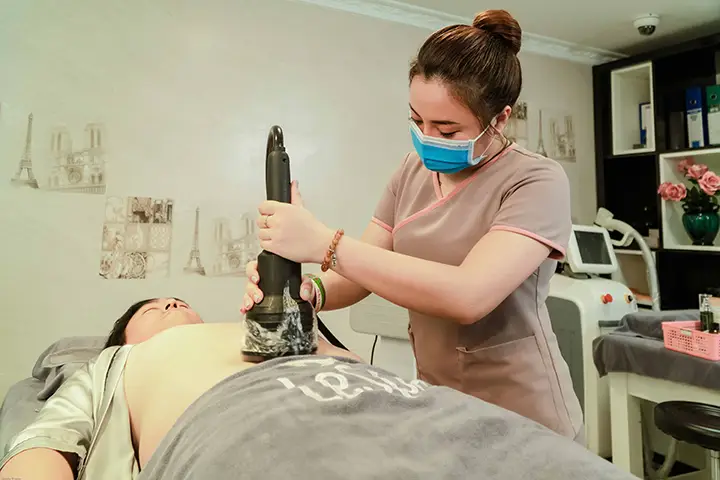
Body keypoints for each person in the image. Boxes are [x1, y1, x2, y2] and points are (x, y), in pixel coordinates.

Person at [242, 9, 583, 441]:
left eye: (447, 128)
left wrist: (323, 242)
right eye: (417, 120)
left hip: (522, 410)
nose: (426, 137)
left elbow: (468, 295)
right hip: (440, 402)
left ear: (500, 119)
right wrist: (308, 290)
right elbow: (359, 273)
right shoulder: (411, 171)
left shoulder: (536, 180)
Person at [1, 301, 634, 480]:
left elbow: (357, 365)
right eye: (151, 306)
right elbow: (45, 443)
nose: (172, 301)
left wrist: (310, 319)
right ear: (124, 337)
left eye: (178, 297)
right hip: (247, 429)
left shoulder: (255, 322)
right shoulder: (115, 365)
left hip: (401, 405)